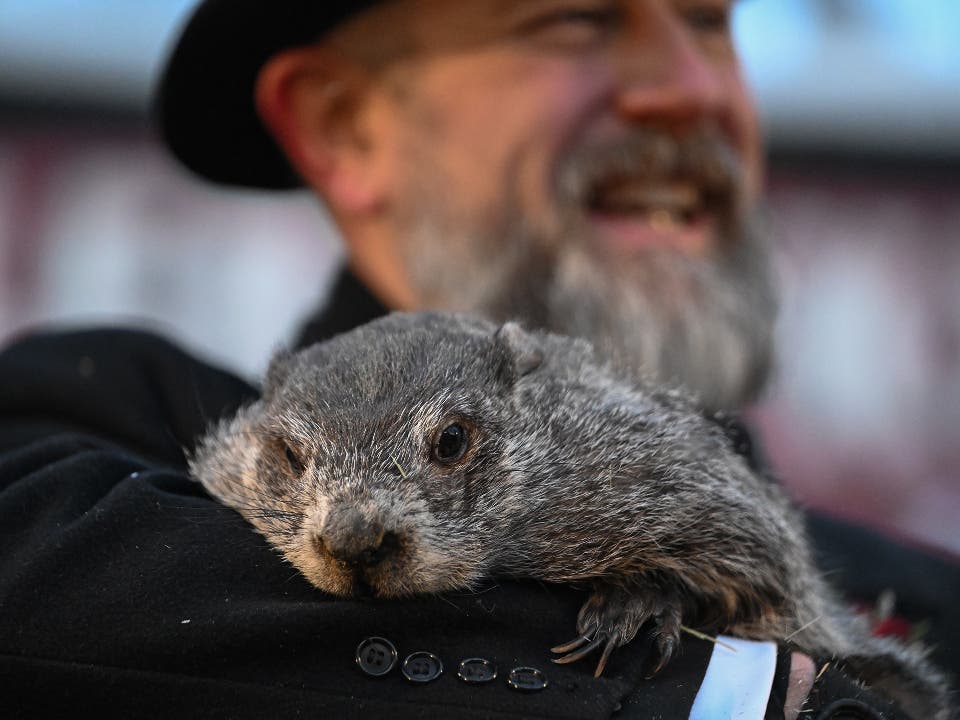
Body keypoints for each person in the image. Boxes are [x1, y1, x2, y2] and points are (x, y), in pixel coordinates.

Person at [1, 1, 955, 718]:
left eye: (711, 21)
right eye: (577, 17)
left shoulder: (925, 597)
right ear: (345, 125)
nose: (692, 91)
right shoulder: (98, 434)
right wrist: (721, 693)